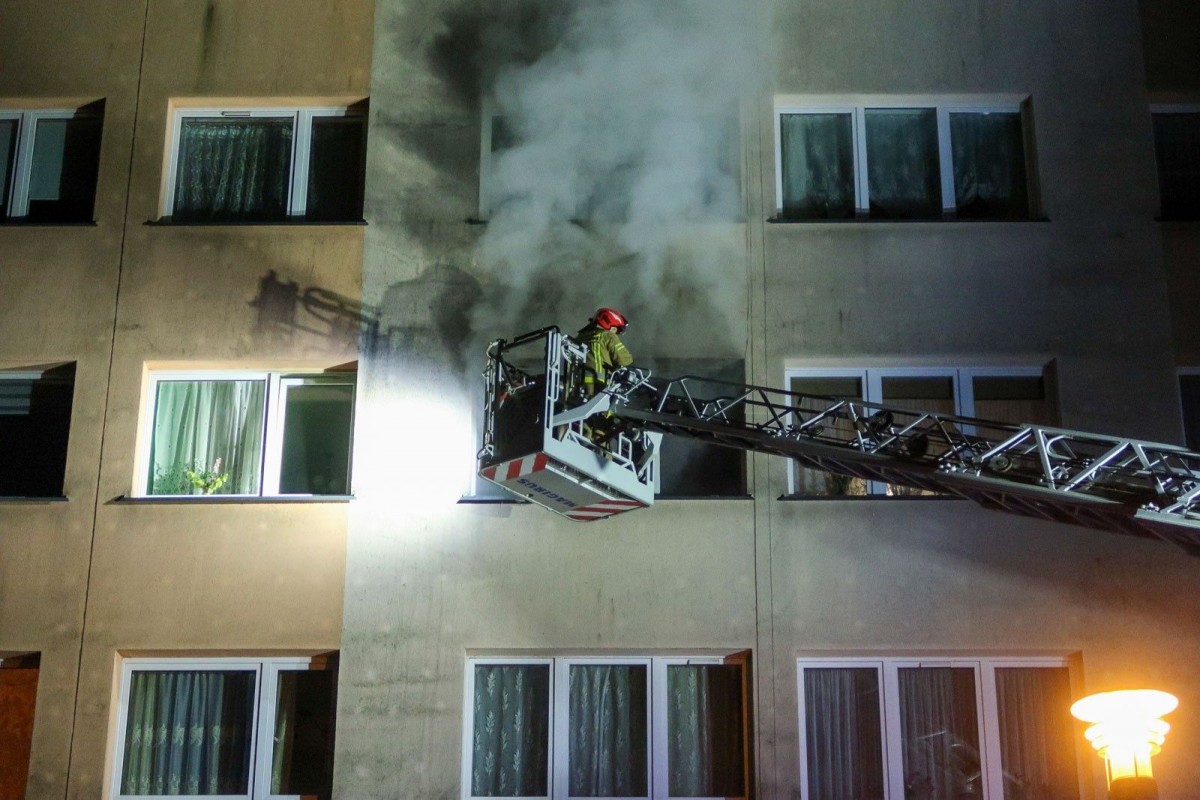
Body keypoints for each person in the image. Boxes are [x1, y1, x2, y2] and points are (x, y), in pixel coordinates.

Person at [577, 307, 633, 397]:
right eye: (615, 329)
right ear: (607, 322)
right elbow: (624, 360)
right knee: (604, 410)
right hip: (599, 383)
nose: (614, 333)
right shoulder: (607, 335)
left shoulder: (580, 337)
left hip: (578, 384)